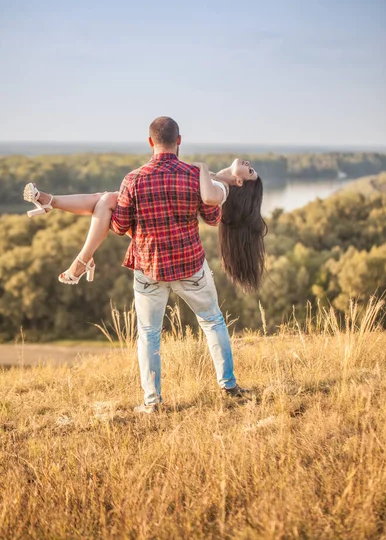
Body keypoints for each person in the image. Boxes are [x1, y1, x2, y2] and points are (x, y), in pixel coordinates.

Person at [23, 116, 267, 411]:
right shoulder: (193, 174)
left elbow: (120, 224)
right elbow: (214, 217)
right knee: (213, 321)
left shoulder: (133, 179)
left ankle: (152, 403)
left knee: (149, 335)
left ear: (150, 142)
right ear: (179, 141)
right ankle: (229, 387)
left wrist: (111, 209)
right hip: (190, 265)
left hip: (149, 267)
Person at [23, 148, 267, 294]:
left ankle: (80, 257)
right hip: (158, 226)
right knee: (104, 199)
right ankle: (49, 202)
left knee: (106, 199)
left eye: (251, 171)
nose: (249, 165)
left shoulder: (221, 188)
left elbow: (210, 198)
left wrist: (202, 168)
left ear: (239, 183)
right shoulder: (217, 179)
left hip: (159, 230)